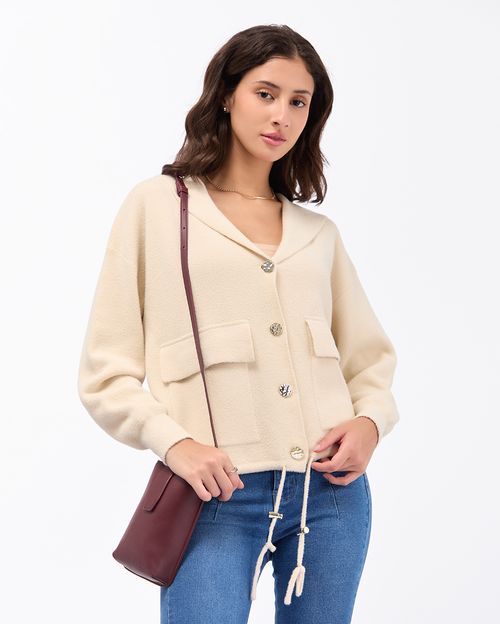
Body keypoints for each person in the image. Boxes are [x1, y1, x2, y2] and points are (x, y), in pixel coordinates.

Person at [77, 23, 400, 624]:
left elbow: (369, 358)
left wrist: (370, 422)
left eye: (299, 102)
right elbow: (105, 373)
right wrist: (175, 443)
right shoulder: (158, 206)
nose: (281, 115)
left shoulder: (318, 234)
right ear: (227, 94)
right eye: (265, 93)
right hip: (214, 494)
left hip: (331, 496)